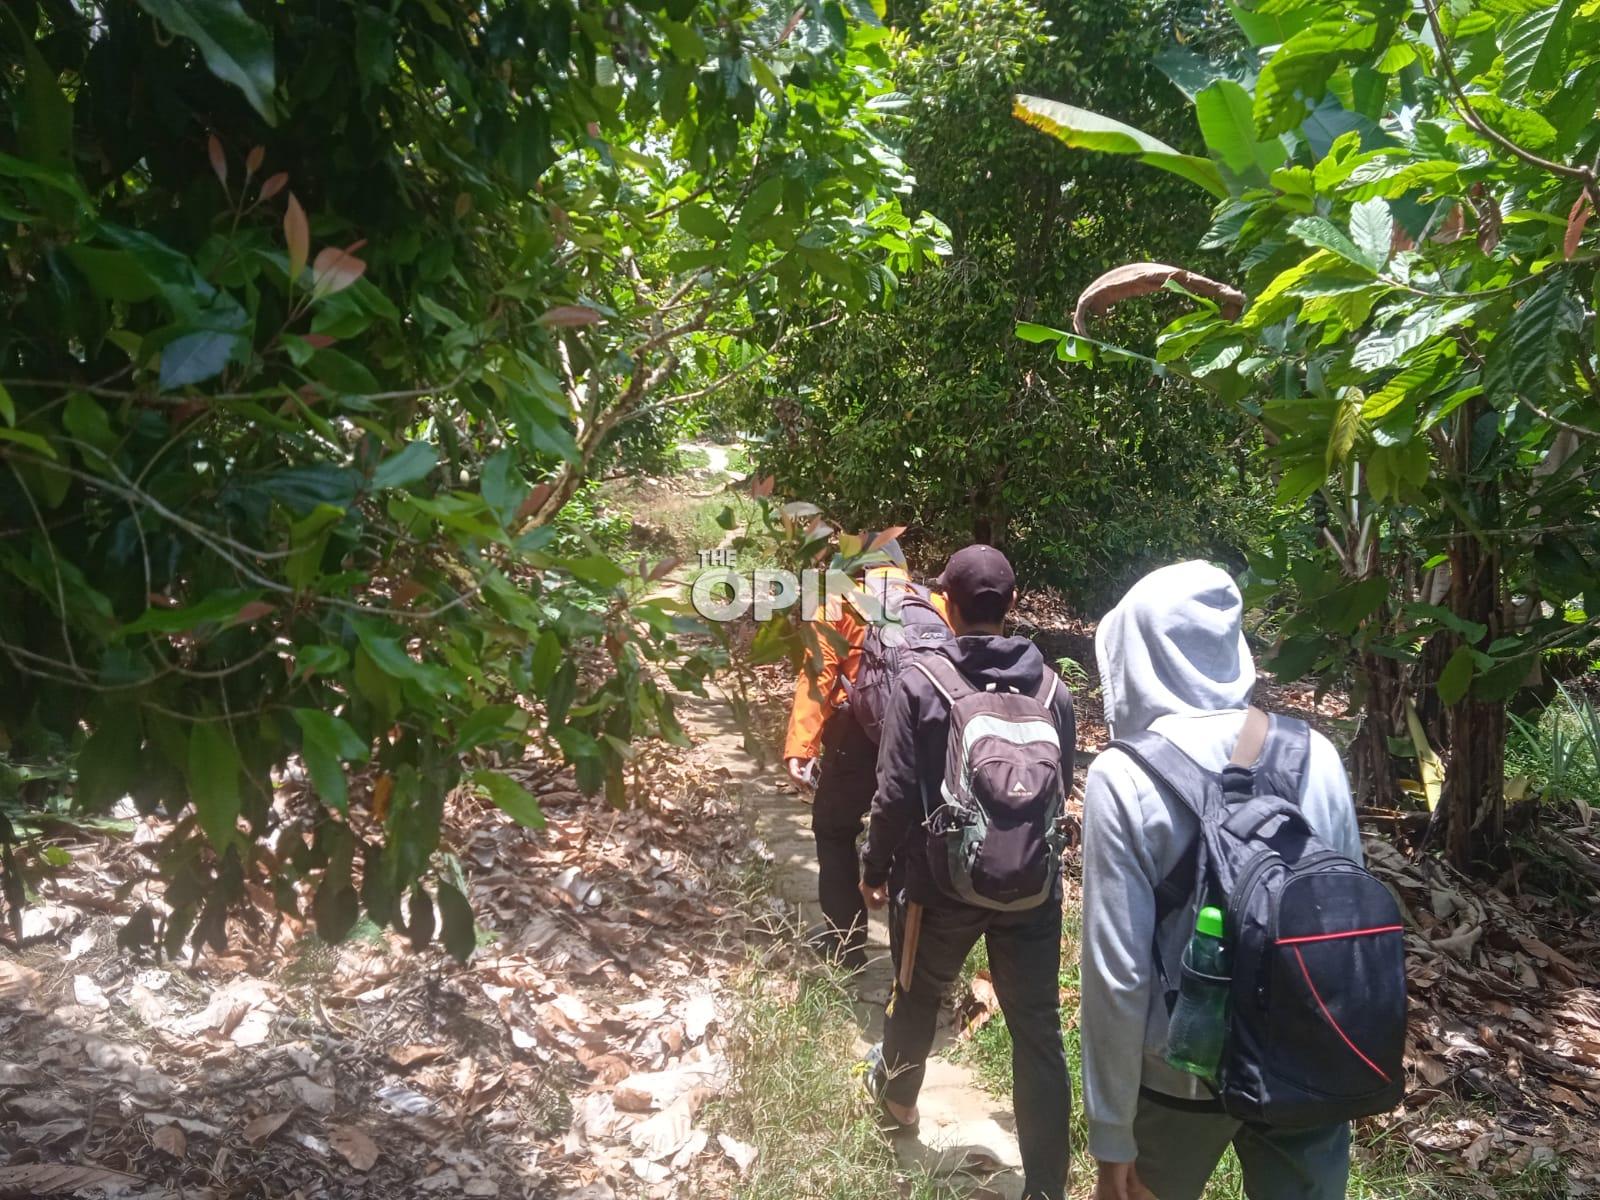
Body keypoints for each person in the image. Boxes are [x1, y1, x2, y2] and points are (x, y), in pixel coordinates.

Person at [1080, 561, 1362, 1200]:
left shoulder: (1123, 777)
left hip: (1179, 1075)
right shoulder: (1315, 753)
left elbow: (1117, 974)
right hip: (1305, 1064)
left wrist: (1111, 1133)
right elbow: (1347, 922)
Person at [860, 544, 1075, 1200]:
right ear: (1012, 606)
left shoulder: (922, 679)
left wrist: (873, 868)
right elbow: (1059, 790)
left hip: (936, 883)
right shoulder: (1052, 687)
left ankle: (898, 1110)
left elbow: (895, 791)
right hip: (1033, 889)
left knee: (916, 996)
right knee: (1038, 1032)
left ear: (945, 604)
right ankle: (1045, 1187)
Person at [783, 537, 948, 970]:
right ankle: (908, 960)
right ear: (905, 570)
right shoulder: (936, 604)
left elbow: (818, 677)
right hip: (921, 740)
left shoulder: (840, 603)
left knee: (834, 829)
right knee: (910, 839)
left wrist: (800, 747)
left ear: (861, 570)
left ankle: (845, 945)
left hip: (857, 738)